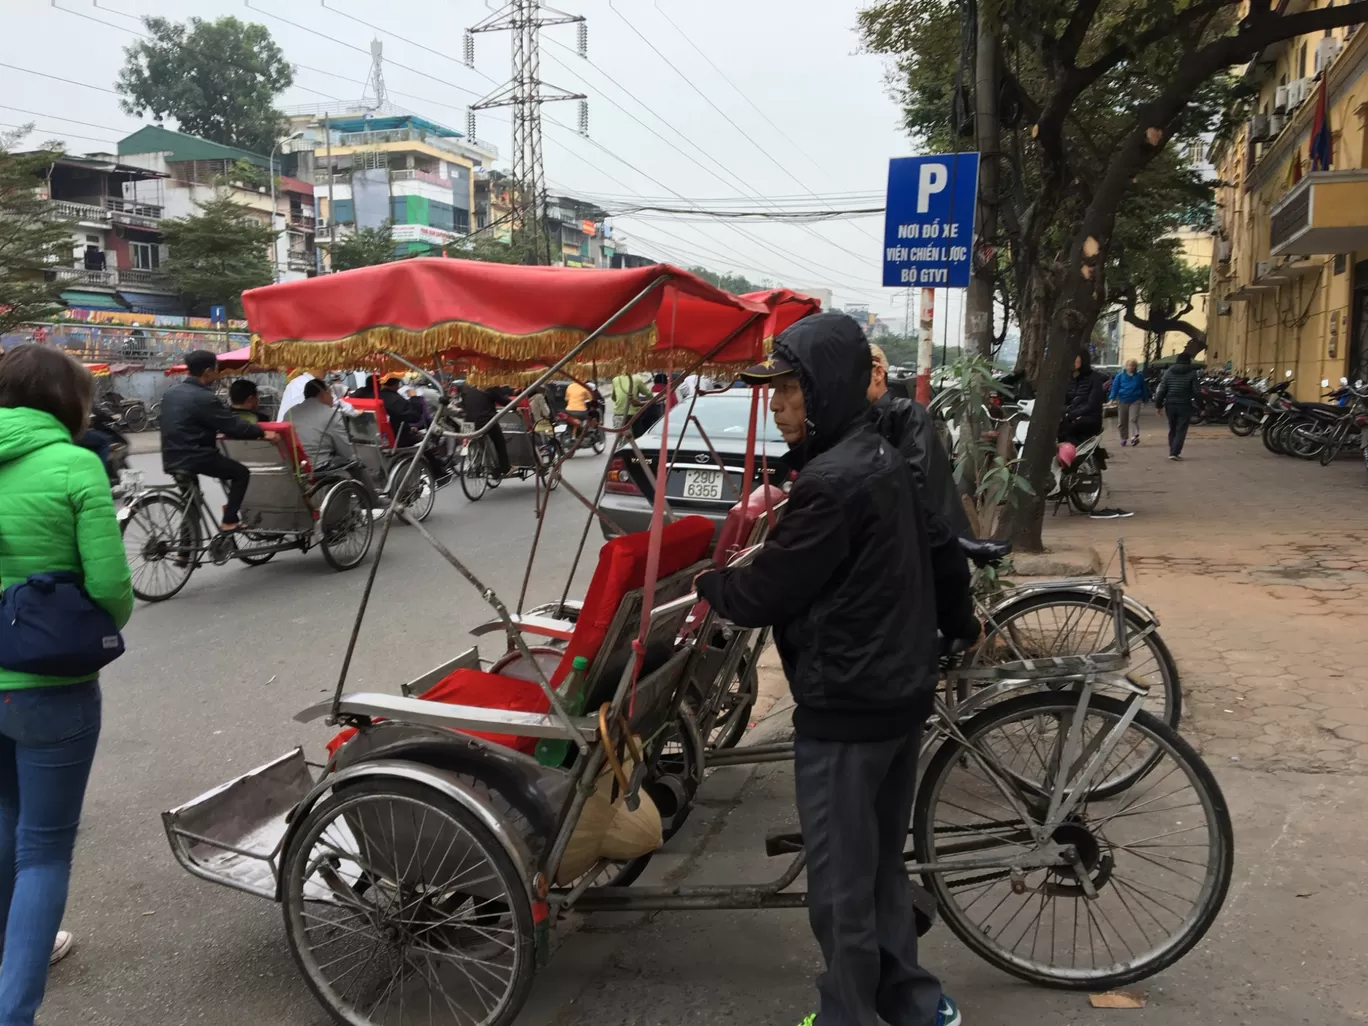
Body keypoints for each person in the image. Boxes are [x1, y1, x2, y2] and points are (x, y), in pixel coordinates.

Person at [694, 313, 959, 1026]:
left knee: (843, 883)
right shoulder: (881, 456)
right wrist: (960, 632)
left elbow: (767, 591)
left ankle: (849, 1015)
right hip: (898, 697)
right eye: (774, 394)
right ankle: (913, 1002)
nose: (777, 407)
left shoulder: (832, 482)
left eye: (789, 392)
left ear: (827, 390)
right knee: (878, 868)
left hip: (847, 709)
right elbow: (945, 548)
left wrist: (707, 584)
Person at [0, 344, 134, 1022]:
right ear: (67, 401)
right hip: (49, 682)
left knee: (4, 822)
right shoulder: (75, 463)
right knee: (44, 849)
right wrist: (92, 628)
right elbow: (111, 586)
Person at [866, 343, 979, 645]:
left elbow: (913, 480)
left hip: (931, 538)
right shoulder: (864, 419)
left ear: (878, 373)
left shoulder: (906, 413)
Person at [159, 350, 274, 531]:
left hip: (171, 457)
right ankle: (229, 521)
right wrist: (261, 432)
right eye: (216, 369)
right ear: (207, 372)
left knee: (191, 506)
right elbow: (232, 426)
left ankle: (184, 556)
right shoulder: (204, 397)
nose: (218, 373)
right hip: (196, 456)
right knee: (241, 473)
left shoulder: (171, 393)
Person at [285, 379, 355, 471]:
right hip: (318, 467)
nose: (332, 398)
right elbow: (346, 451)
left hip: (295, 466)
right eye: (330, 394)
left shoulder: (290, 412)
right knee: (355, 461)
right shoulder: (332, 414)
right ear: (322, 394)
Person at [456, 381, 511, 477]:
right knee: (500, 442)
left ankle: (473, 465)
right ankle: (505, 468)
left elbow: (463, 405)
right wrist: (515, 406)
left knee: (468, 442)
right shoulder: (490, 386)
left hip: (467, 423)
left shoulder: (468, 388)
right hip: (485, 422)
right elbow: (504, 401)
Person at [1154, 351, 1201, 460]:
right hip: (1185, 404)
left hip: (1170, 404)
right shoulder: (1192, 373)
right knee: (1181, 429)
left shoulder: (1168, 372)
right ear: (1188, 361)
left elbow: (1162, 390)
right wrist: (1200, 405)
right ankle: (1174, 453)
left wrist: (1158, 405)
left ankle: (1172, 451)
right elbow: (1197, 391)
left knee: (1172, 428)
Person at [1059, 350, 1106, 445]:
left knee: (1068, 430)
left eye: (1075, 358)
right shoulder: (1068, 379)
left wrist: (1073, 413)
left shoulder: (1094, 378)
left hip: (1090, 418)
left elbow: (1092, 404)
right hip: (1071, 417)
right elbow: (1063, 400)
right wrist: (1064, 410)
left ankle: (1075, 455)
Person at [1108, 358, 1150, 446]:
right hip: (1123, 400)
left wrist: (1145, 400)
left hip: (1135, 400)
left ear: (1136, 367)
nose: (1131, 367)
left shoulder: (1139, 376)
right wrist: (1111, 399)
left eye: (1133, 366)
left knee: (1133, 419)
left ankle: (1134, 437)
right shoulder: (1120, 376)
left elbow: (1144, 388)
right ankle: (1124, 438)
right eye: (1129, 365)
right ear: (1126, 366)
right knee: (1122, 421)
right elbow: (1115, 388)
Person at [379, 376, 422, 447]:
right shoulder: (395, 400)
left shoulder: (377, 396)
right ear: (397, 384)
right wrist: (414, 397)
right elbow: (415, 417)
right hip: (399, 439)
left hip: (385, 436)